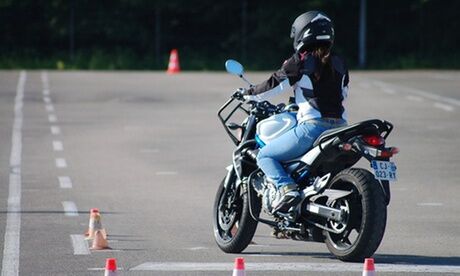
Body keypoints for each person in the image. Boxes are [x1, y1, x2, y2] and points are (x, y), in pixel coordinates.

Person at [242, 11, 349, 213]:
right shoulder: (339, 62)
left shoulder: (301, 60)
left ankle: (286, 188)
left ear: (302, 34)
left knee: (265, 156)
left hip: (313, 128)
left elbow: (275, 84)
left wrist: (249, 94)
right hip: (341, 128)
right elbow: (343, 93)